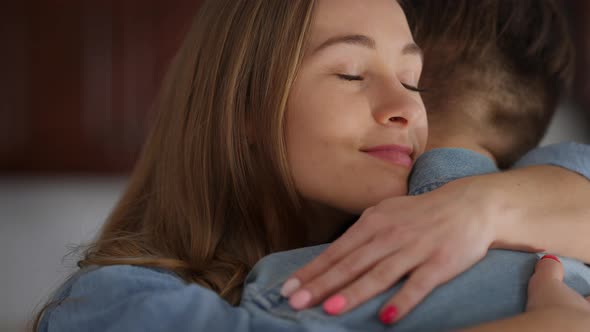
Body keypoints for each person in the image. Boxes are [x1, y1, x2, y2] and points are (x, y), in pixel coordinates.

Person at [32, 0, 590, 331]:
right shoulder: (114, 303)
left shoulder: (511, 227)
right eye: (350, 72)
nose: (407, 109)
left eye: (413, 81)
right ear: (245, 107)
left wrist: (477, 206)